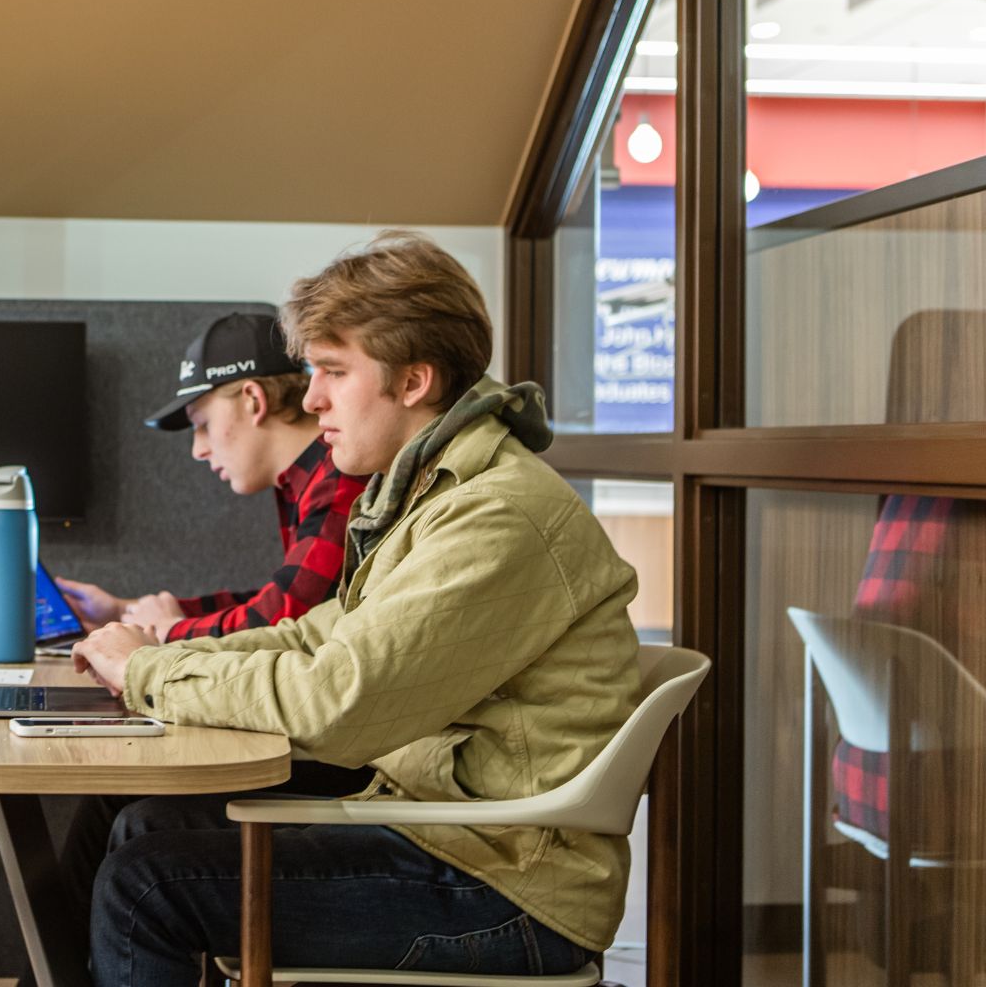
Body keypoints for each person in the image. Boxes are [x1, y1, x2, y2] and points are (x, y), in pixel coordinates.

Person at [71, 231, 642, 985]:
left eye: (333, 372)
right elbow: (312, 632)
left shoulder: (496, 516)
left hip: (509, 885)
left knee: (146, 888)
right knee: (147, 825)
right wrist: (156, 659)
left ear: (414, 382)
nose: (309, 399)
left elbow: (337, 701)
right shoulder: (430, 495)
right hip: (442, 827)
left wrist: (148, 670)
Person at [57, 312, 368, 641]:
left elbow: (280, 619)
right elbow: (274, 599)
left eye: (202, 424)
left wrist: (169, 631)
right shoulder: (306, 479)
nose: (198, 450)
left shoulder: (338, 480)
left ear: (253, 399)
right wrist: (126, 612)